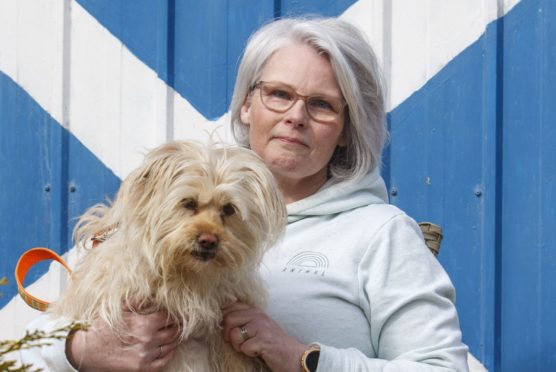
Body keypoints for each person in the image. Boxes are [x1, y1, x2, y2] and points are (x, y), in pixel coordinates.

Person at [22, 17, 469, 371]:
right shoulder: (160, 203)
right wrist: (81, 350)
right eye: (279, 94)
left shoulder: (381, 233)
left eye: (322, 104)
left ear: (350, 130)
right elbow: (22, 354)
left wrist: (303, 357)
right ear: (246, 105)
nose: (296, 116)